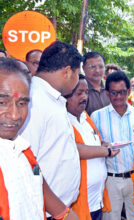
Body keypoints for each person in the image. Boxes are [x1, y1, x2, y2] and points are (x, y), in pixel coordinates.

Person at [0, 57, 79, 220]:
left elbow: (38, 183)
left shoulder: (25, 154)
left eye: (22, 103)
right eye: (2, 102)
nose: (15, 114)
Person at [20, 41, 83, 219]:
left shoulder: (51, 99)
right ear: (67, 71)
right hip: (45, 212)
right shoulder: (34, 102)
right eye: (78, 74)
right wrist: (60, 211)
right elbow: (29, 166)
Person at [91, 71, 134, 220]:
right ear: (107, 93)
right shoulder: (96, 116)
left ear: (128, 92)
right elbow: (94, 147)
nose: (118, 97)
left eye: (122, 92)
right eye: (114, 93)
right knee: (110, 217)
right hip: (110, 180)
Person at [66, 74, 120, 220]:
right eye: (79, 93)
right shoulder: (62, 119)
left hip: (96, 199)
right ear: (66, 95)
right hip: (76, 204)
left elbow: (92, 144)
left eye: (86, 92)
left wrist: (104, 145)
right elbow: (73, 148)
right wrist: (105, 151)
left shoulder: (85, 117)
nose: (84, 97)